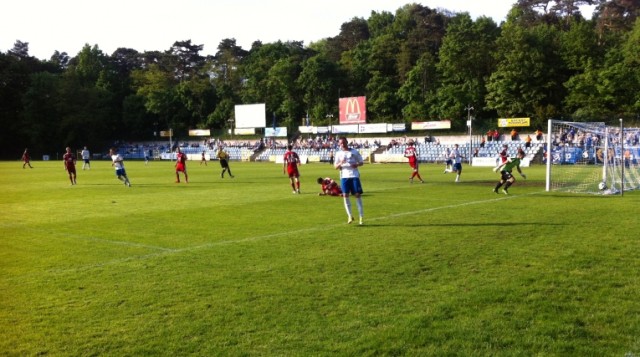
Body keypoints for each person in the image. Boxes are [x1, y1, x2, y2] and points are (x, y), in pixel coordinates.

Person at [334, 137, 364, 225]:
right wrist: (341, 163)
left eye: (344, 142)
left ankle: (361, 216)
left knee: (357, 195)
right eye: (341, 143)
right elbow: (335, 167)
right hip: (344, 176)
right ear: (339, 144)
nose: (342, 144)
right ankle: (350, 216)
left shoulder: (354, 151)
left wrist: (357, 164)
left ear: (347, 142)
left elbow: (361, 162)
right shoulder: (338, 153)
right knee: (345, 195)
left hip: (354, 175)